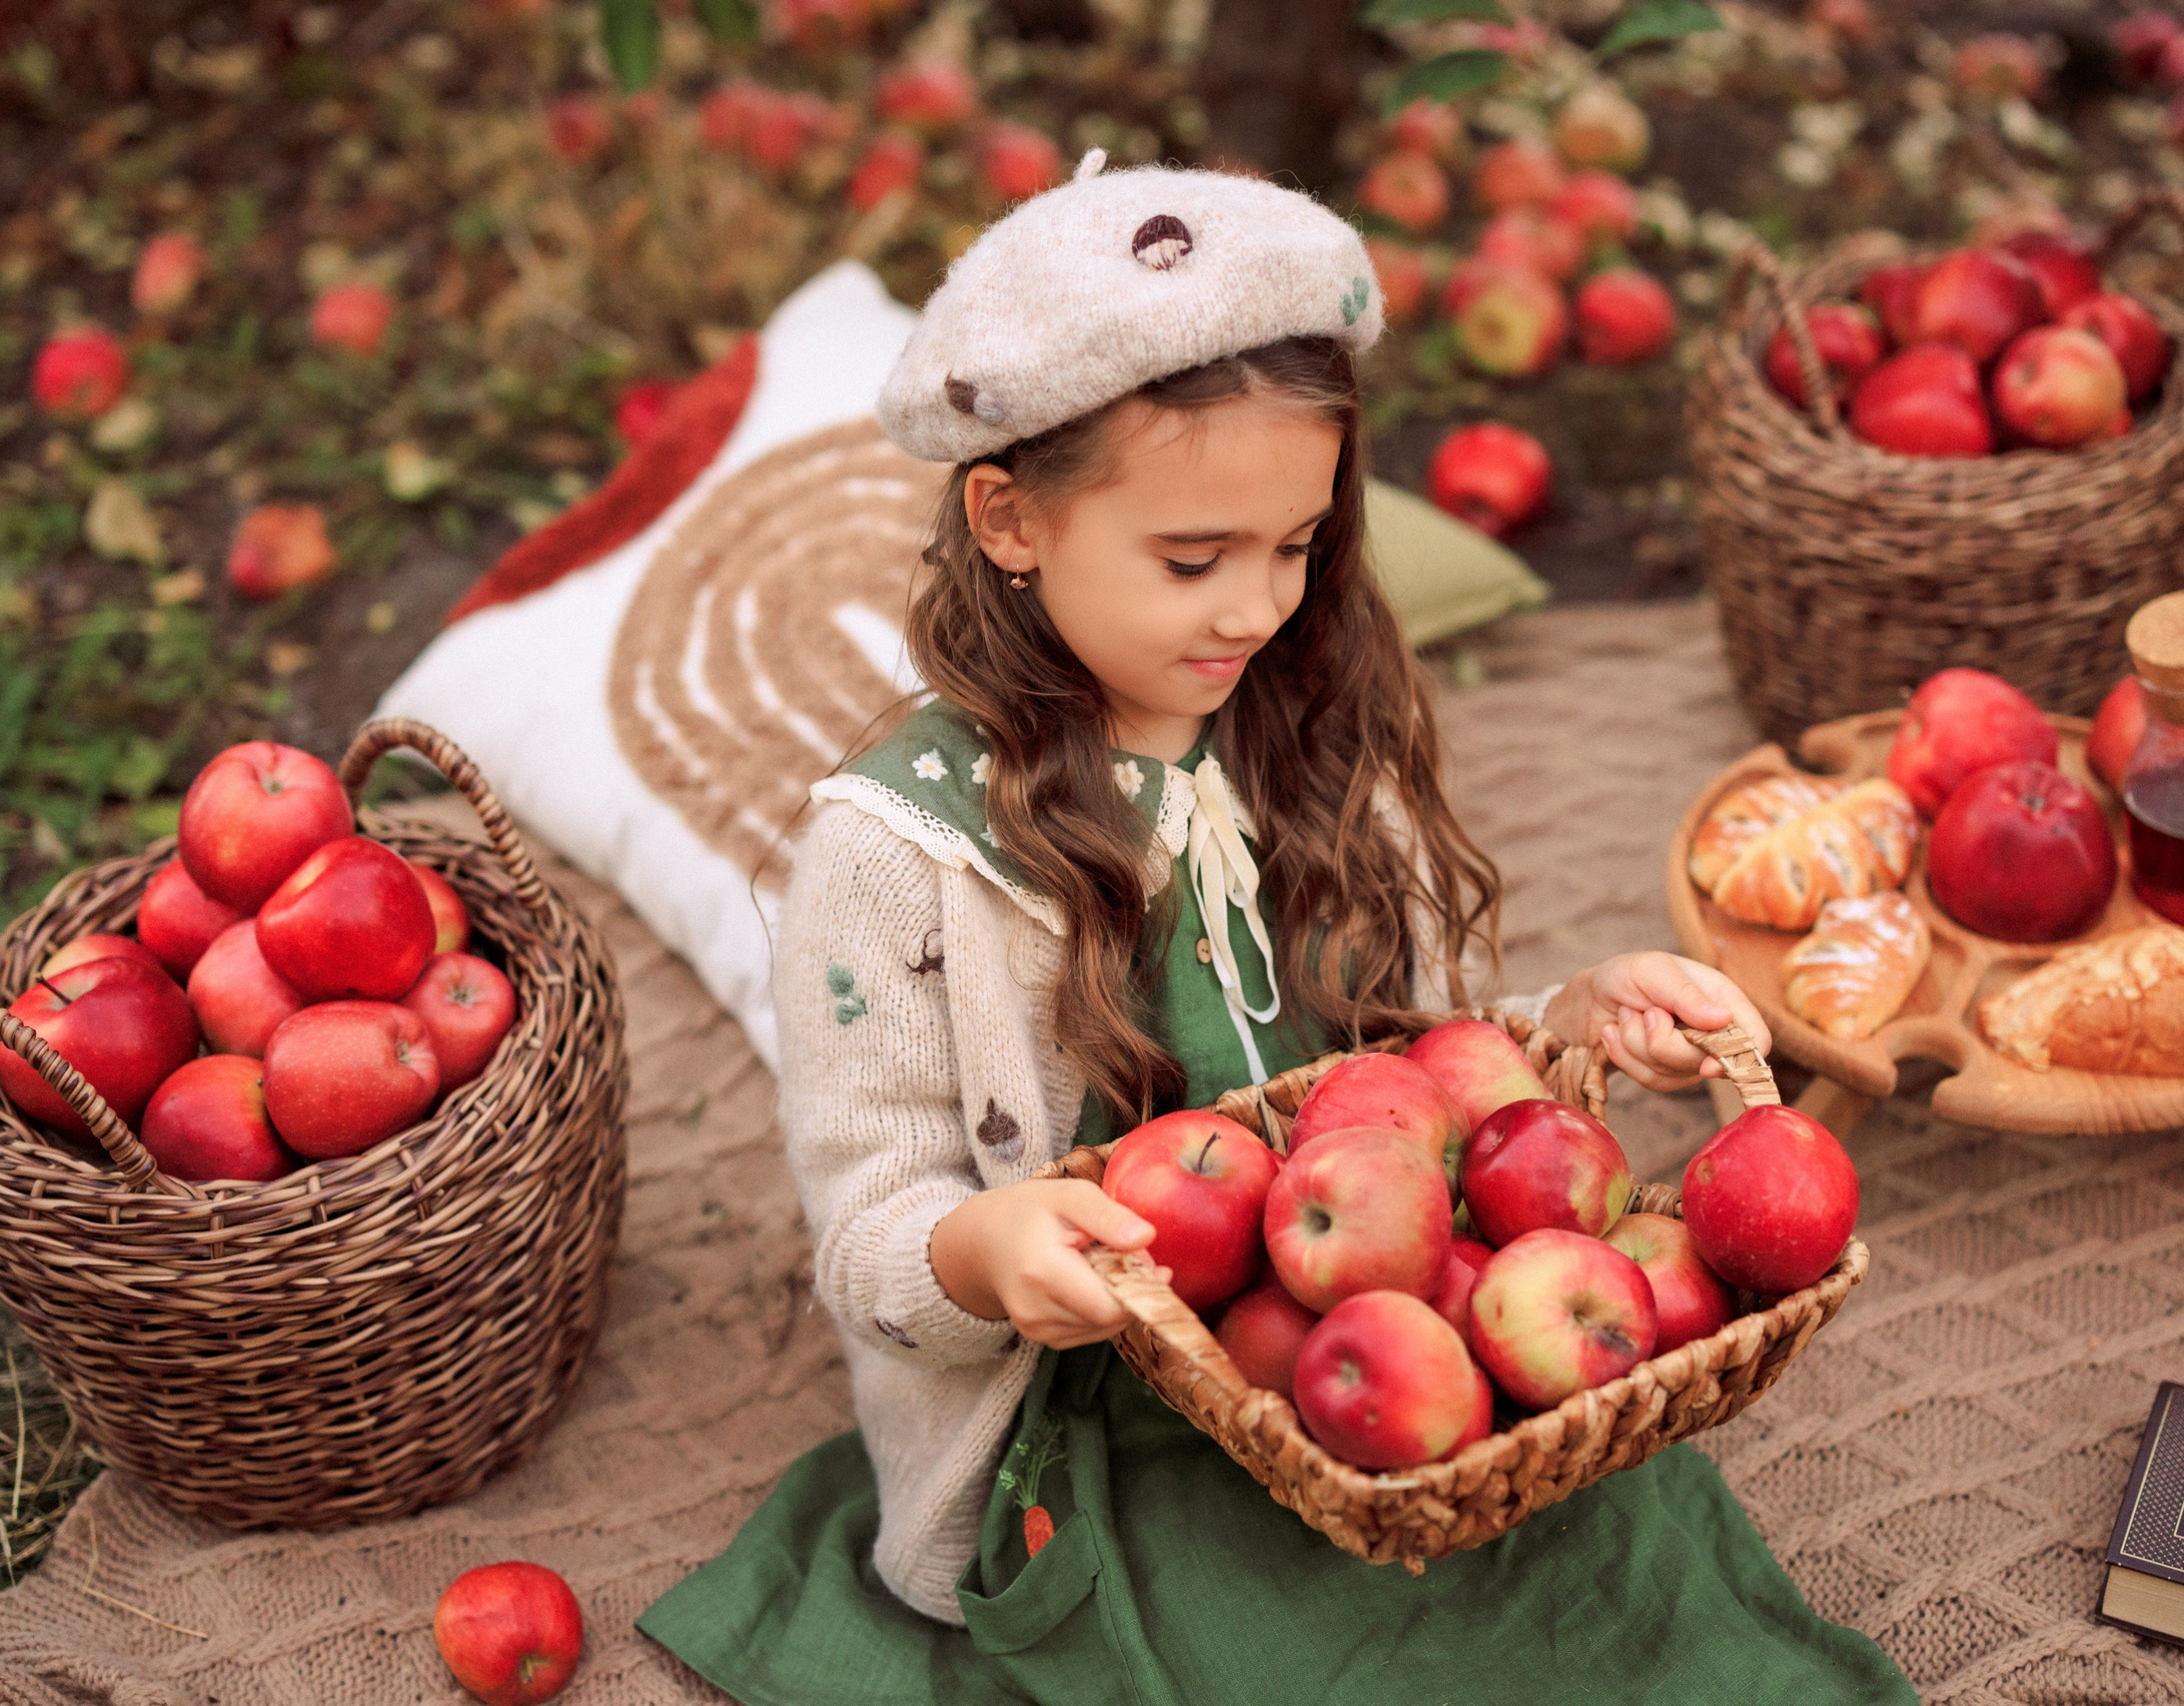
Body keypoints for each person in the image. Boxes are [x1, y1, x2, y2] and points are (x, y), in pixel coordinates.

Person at [639, 150, 1915, 1704]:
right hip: (1121, 1395)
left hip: (1388, 1316)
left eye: (1297, 547)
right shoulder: (898, 855)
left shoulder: (1295, 733)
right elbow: (864, 1230)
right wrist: (984, 1246)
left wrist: (1566, 1022)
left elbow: (1413, 1071)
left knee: (1615, 1543)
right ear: (1010, 518)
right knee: (1277, 1650)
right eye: (1193, 560)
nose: (1257, 609)